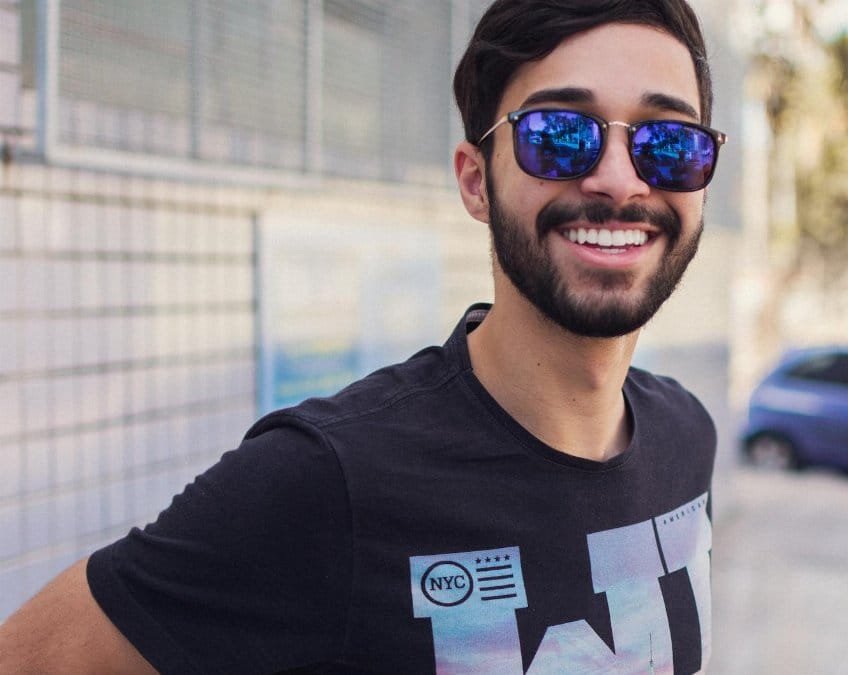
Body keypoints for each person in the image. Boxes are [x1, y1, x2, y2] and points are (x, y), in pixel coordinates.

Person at [0, 0, 725, 671]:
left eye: (669, 143)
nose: (620, 180)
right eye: (560, 135)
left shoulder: (685, 439)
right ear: (476, 181)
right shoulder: (327, 478)